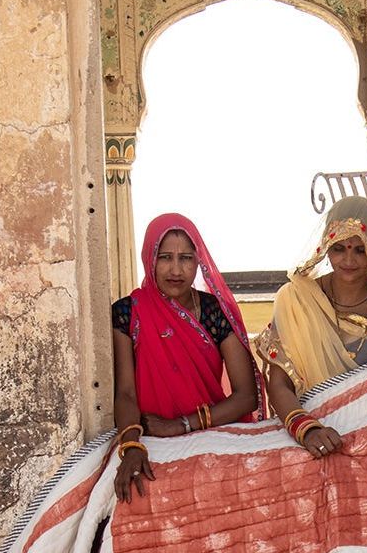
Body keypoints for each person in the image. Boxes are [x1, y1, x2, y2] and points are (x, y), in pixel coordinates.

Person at [112, 213, 265, 502]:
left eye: (186, 258)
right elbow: (126, 393)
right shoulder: (127, 313)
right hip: (150, 438)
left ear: (199, 261)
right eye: (165, 257)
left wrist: (182, 425)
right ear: (150, 258)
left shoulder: (213, 311)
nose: (176, 269)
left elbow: (246, 396)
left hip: (214, 433)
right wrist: (132, 446)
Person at [256, 196, 367, 459]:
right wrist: (307, 429)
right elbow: (278, 383)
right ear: (326, 245)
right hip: (306, 435)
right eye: (339, 248)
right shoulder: (296, 299)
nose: (349, 259)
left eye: (360, 249)